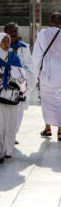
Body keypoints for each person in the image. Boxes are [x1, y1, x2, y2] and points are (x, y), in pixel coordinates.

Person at [0, 33, 27, 163]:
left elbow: (21, 75)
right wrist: (0, 76)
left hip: (11, 96)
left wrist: (11, 71)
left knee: (10, 122)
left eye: (7, 41)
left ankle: (8, 150)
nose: (5, 43)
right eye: (2, 41)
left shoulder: (13, 57)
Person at [4, 22, 35, 143]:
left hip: (20, 84)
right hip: (6, 84)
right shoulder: (1, 46)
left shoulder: (23, 47)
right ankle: (6, 135)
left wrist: (22, 74)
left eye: (15, 31)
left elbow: (30, 65)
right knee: (5, 110)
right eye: (10, 31)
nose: (13, 33)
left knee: (18, 110)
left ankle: (13, 135)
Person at [32, 12, 61, 141]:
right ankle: (60, 131)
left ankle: (47, 128)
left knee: (47, 102)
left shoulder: (43, 34)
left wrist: (35, 74)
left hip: (47, 76)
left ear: (50, 22)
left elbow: (37, 56)